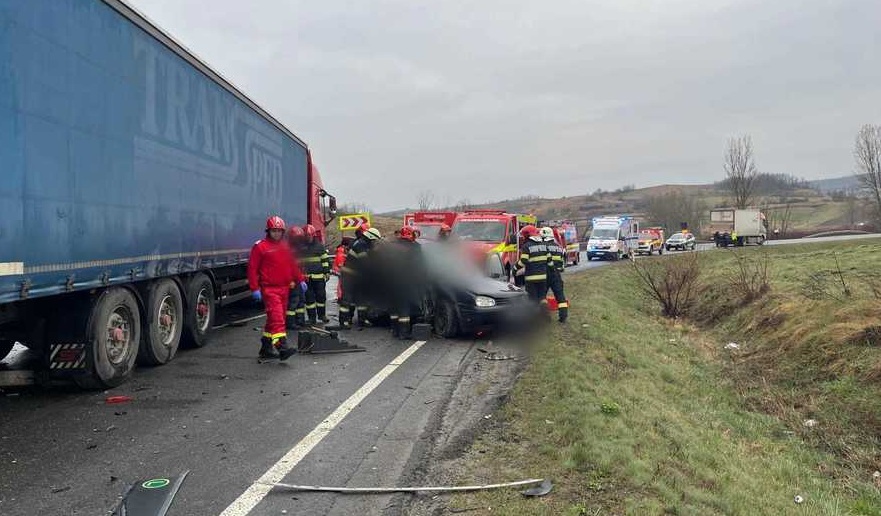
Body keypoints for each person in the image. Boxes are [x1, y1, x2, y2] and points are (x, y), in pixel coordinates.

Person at [247, 216, 307, 360]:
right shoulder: (260, 247)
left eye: (279, 231)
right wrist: (254, 288)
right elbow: (252, 269)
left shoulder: (285, 247)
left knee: (273, 319)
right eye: (274, 231)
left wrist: (300, 280)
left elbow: (292, 265)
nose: (276, 233)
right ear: (268, 231)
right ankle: (282, 347)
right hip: (269, 289)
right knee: (278, 318)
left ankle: (266, 348)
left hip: (284, 289)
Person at [338, 224, 382, 329]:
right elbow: (365, 263)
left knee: (362, 298)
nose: (375, 243)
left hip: (358, 277)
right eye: (375, 240)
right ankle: (344, 321)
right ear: (370, 237)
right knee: (347, 300)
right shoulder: (360, 245)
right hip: (349, 276)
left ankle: (362, 319)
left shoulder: (365, 244)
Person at [387, 226, 425, 339]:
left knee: (394, 307)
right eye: (413, 234)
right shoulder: (414, 247)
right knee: (404, 307)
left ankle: (394, 330)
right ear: (409, 234)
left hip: (391, 280)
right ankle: (404, 333)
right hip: (406, 281)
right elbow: (419, 265)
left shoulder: (392, 246)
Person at [300, 224, 331, 324]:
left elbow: (325, 260)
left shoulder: (319, 246)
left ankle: (322, 315)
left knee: (321, 297)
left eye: (309, 235)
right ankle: (311, 318)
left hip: (319, 278)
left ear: (313, 235)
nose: (308, 237)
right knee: (309, 300)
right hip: (307, 278)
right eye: (306, 236)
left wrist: (326, 271)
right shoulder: (301, 247)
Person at [514, 225, 548, 305]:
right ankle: (544, 311)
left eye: (523, 236)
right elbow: (549, 259)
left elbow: (523, 261)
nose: (522, 238)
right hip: (543, 277)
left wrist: (515, 268)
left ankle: (535, 312)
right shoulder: (544, 245)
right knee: (542, 297)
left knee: (532, 299)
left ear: (527, 235)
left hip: (531, 278)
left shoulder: (526, 246)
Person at [541, 227, 568, 323]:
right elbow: (561, 263)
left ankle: (545, 317)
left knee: (542, 295)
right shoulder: (558, 247)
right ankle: (563, 317)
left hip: (545, 274)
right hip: (556, 274)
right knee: (560, 296)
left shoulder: (542, 246)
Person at [285, 226, 307, 329]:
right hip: (292, 281)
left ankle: (300, 320)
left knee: (300, 301)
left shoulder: (299, 250)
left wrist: (302, 278)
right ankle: (290, 323)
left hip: (298, 280)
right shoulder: (288, 250)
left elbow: (300, 266)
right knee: (293, 302)